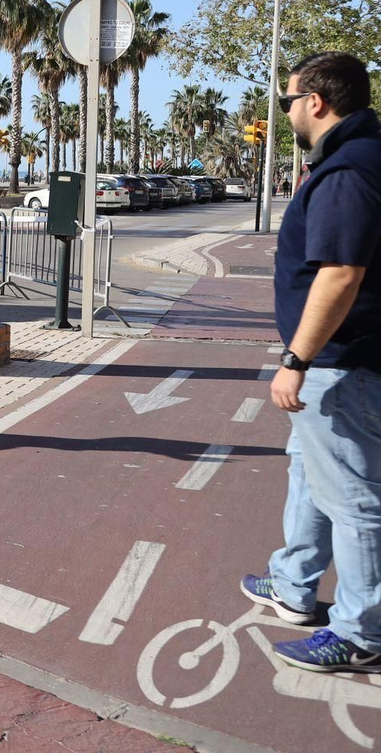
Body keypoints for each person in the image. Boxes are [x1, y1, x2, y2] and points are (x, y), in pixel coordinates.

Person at [243, 51, 381, 674]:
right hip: (339, 361)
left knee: (352, 499)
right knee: (308, 474)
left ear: (316, 103)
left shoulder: (348, 171)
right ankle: (294, 586)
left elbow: (342, 272)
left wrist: (297, 358)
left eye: (288, 101)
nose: (288, 112)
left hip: (341, 361)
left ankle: (361, 632)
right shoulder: (352, 161)